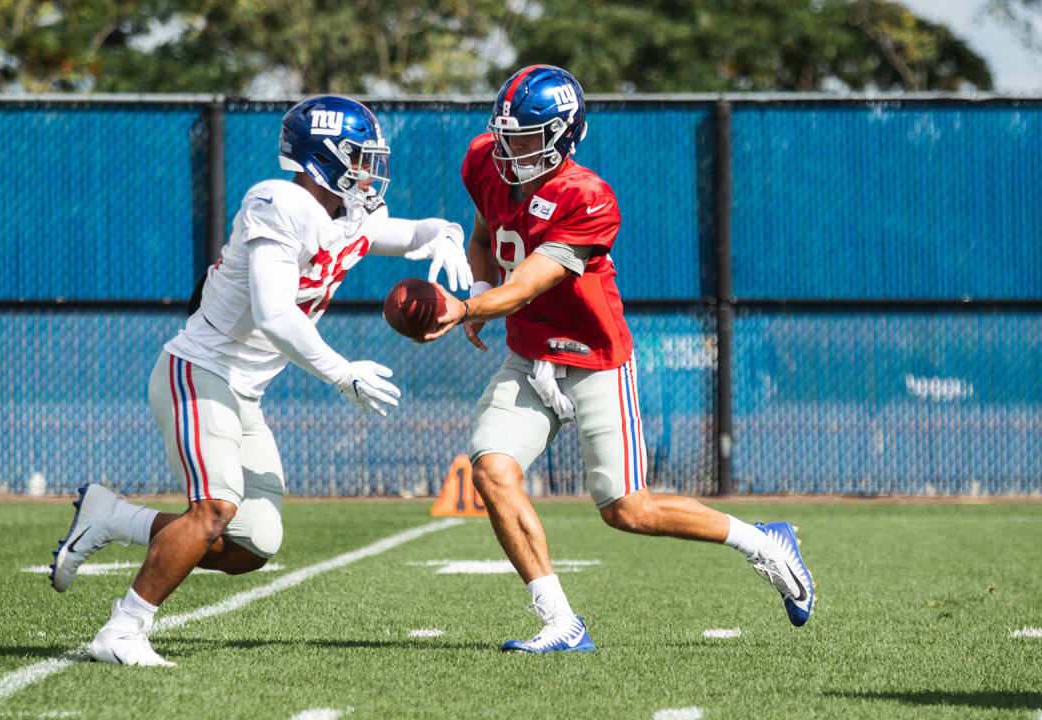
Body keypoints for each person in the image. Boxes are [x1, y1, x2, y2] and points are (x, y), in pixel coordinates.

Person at [48, 95, 473, 666]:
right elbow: (274, 314)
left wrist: (441, 232)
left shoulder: (348, 212)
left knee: (252, 544)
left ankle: (112, 516)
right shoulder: (279, 202)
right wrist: (341, 372)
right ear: (324, 157)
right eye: (358, 156)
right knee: (215, 509)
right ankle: (122, 630)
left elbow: (401, 231)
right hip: (199, 373)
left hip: (242, 391)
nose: (370, 170)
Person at [421, 65, 814, 653]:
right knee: (491, 470)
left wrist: (467, 307)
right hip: (528, 357)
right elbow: (485, 239)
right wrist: (477, 292)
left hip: (594, 360)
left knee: (628, 510)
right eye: (504, 134)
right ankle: (560, 621)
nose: (508, 149)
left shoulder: (588, 197)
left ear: (562, 136)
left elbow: (529, 283)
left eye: (524, 138)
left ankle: (765, 543)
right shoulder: (484, 161)